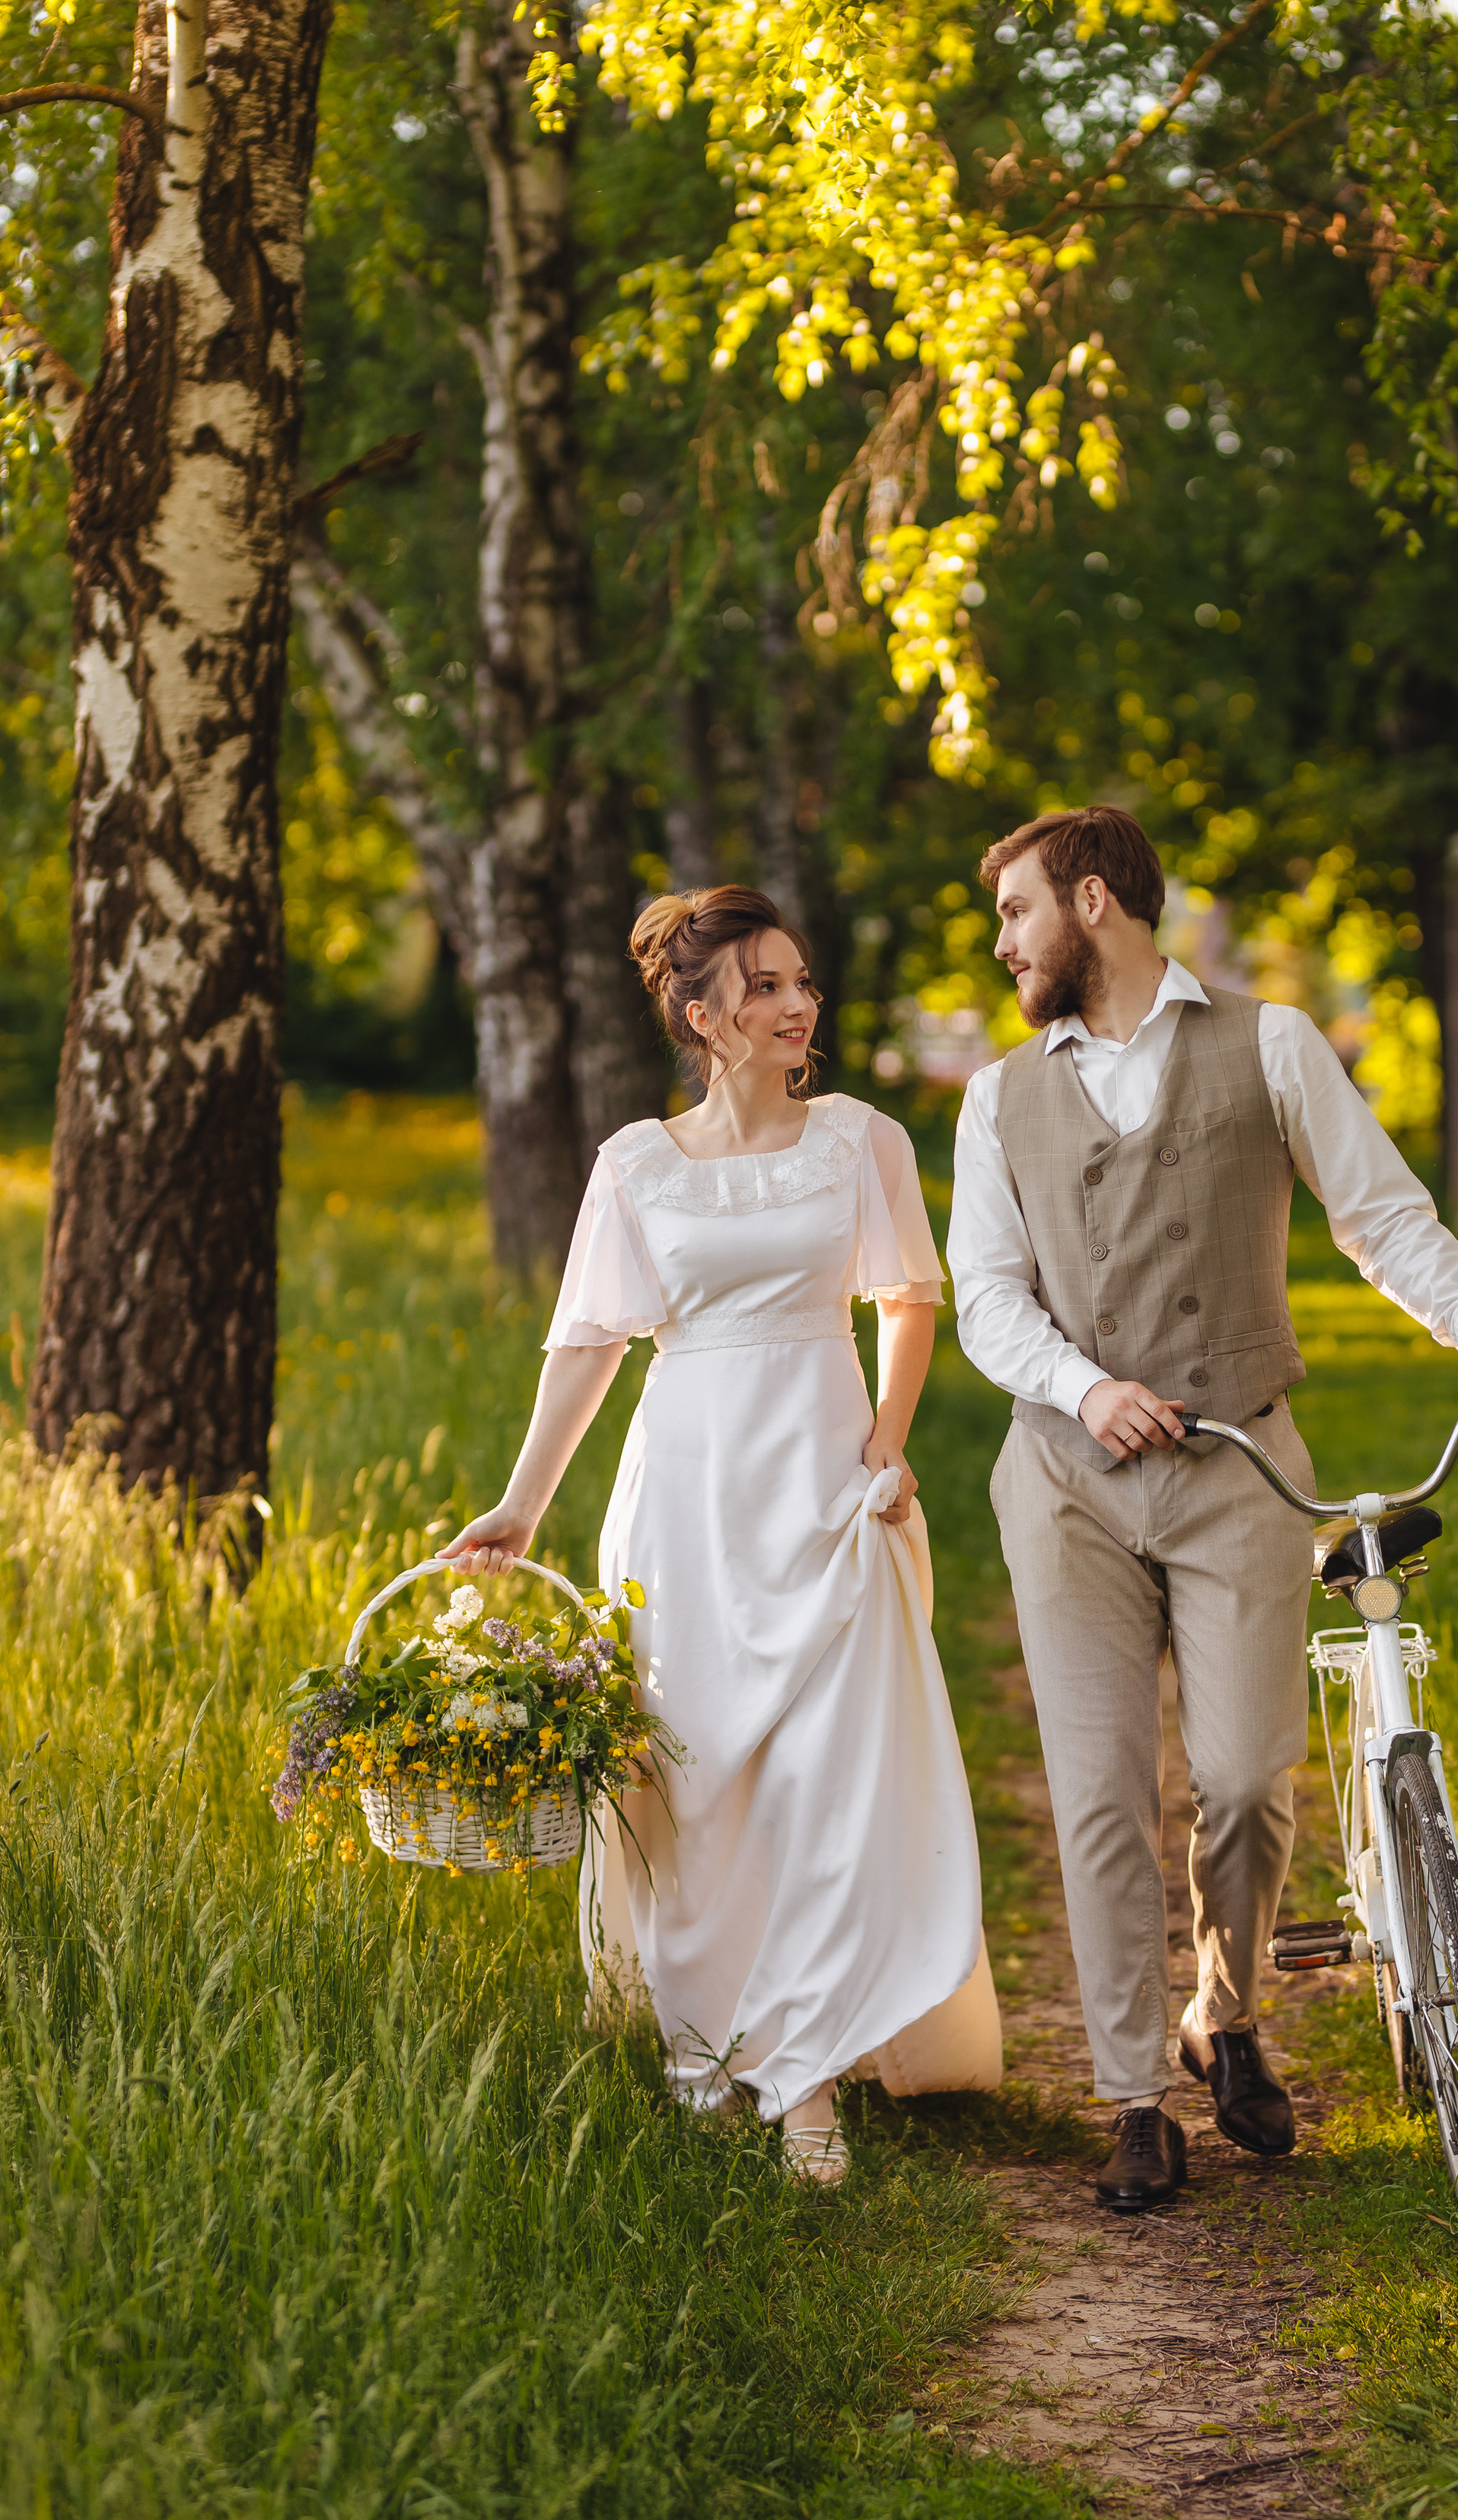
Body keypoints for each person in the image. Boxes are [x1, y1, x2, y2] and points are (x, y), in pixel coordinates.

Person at [947, 807, 1458, 2214]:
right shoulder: (998, 1096)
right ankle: (1131, 2097)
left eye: (1014, 914)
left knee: (1243, 1781)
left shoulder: (1269, 1045)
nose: (1001, 943)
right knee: (1102, 1792)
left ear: (1094, 903)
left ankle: (1223, 2017)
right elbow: (986, 1295)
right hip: (1065, 1480)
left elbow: (1382, 1217)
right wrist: (1080, 1384)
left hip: (1240, 1461)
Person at [442, 885, 1002, 2184]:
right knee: (691, 1784)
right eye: (765, 986)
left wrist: (888, 1440)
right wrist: (522, 1507)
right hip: (685, 1492)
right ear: (702, 1015)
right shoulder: (634, 1163)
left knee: (824, 1778)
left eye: (801, 981)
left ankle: (806, 2077)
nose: (799, 1004)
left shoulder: (861, 1139)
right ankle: (709, 2043)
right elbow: (589, 1344)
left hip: (822, 1472)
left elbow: (908, 1298)